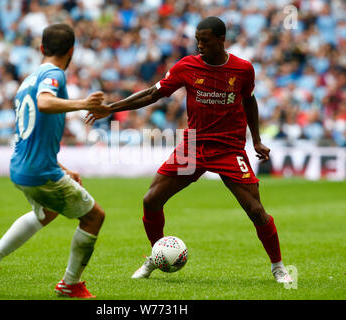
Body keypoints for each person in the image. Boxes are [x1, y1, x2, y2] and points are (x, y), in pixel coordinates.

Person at [86, 16, 292, 283]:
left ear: (221, 40)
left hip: (229, 148)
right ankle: (156, 255)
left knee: (255, 210)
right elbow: (152, 93)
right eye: (197, 40)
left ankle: (278, 267)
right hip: (193, 145)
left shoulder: (243, 69)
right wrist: (111, 108)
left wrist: (256, 140)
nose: (199, 45)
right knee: (151, 200)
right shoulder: (186, 66)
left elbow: (249, 101)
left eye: (205, 41)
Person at [0, 23, 109, 298]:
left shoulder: (28, 79)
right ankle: (70, 284)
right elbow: (45, 102)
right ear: (72, 51)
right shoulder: (53, 74)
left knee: (46, 213)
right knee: (94, 217)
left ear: (41, 48)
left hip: (22, 166)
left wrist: (62, 169)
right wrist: (85, 103)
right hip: (38, 170)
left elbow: (31, 132)